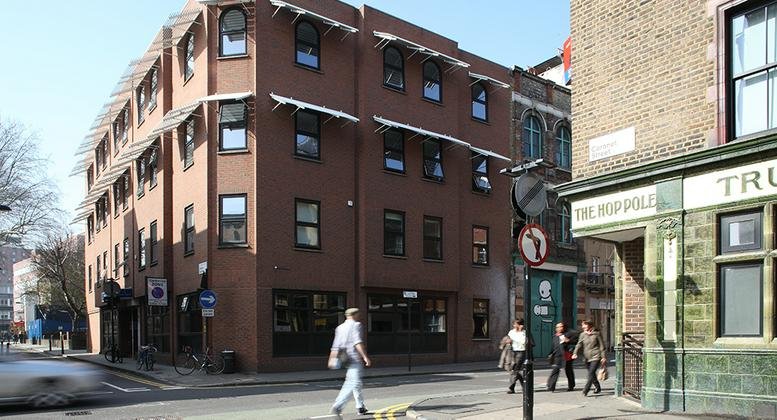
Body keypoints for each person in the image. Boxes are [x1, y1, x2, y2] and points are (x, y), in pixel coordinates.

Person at [328, 307, 371, 416]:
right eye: (358, 314)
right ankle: (338, 405)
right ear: (355, 315)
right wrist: (365, 357)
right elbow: (357, 342)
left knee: (355, 382)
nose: (359, 316)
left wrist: (331, 359)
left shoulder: (340, 327)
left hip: (344, 359)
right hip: (354, 359)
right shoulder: (356, 325)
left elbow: (335, 346)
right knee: (353, 382)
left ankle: (360, 406)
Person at [572, 320, 606, 396]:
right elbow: (579, 344)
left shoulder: (597, 334)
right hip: (586, 357)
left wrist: (603, 357)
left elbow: (602, 346)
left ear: (589, 325)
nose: (583, 326)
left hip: (596, 356)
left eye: (584, 325)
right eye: (582, 325)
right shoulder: (582, 335)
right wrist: (575, 353)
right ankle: (598, 387)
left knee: (591, 373)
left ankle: (586, 390)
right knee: (592, 373)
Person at [546, 322, 575, 392]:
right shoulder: (555, 336)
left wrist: (568, 341)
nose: (559, 328)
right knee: (555, 370)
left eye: (561, 327)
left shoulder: (568, 334)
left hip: (566, 355)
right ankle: (551, 386)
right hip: (557, 355)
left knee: (568, 370)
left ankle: (571, 385)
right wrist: (550, 354)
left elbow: (575, 342)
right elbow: (553, 346)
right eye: (557, 327)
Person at [506, 319, 528, 394]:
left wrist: (519, 334)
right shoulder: (511, 332)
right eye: (514, 324)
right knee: (514, 370)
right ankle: (524, 386)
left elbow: (523, 342)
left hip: (521, 352)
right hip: (512, 351)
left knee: (515, 369)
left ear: (520, 325)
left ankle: (511, 388)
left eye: (516, 324)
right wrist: (508, 341)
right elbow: (508, 338)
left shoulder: (524, 333)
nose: (514, 326)